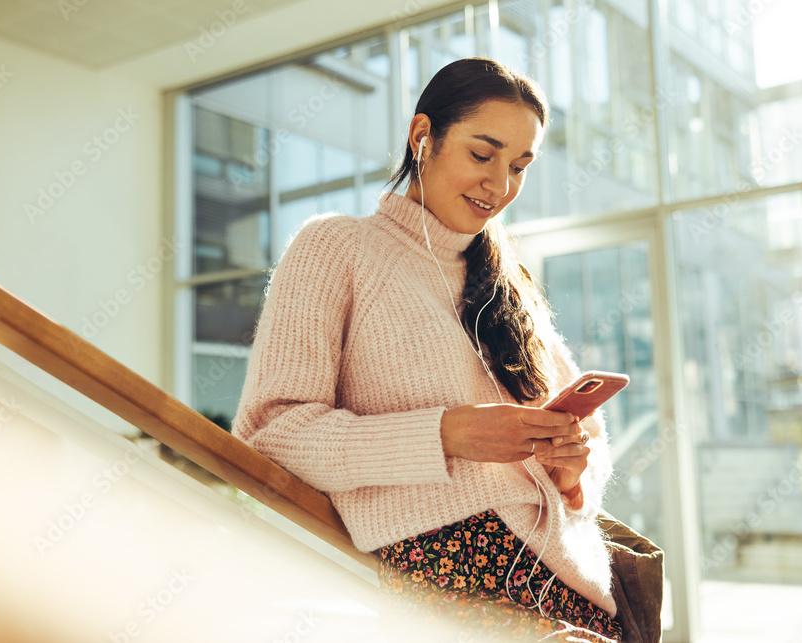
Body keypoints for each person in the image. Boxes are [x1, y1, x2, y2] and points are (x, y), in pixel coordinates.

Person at [232, 57, 621, 642]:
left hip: (577, 587)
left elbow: (591, 456)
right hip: (454, 581)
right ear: (423, 137)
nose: (501, 185)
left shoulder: (513, 285)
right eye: (482, 154)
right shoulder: (336, 248)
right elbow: (272, 435)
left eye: (519, 166)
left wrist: (571, 475)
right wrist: (448, 433)